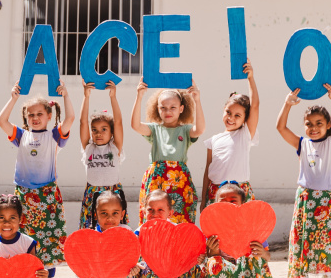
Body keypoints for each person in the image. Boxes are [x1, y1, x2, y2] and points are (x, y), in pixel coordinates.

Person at [276, 83, 331, 278]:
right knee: (302, 239)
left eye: (319, 123)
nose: (314, 127)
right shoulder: (302, 144)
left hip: (329, 199)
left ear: (329, 124)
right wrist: (287, 104)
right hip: (306, 198)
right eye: (309, 124)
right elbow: (281, 128)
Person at [0, 81, 74, 278]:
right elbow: (0, 120)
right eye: (31, 115)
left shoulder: (54, 136)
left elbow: (70, 119)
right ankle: (27, 275)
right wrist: (13, 98)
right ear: (26, 118)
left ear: (49, 115)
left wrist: (66, 96)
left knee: (48, 236)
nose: (35, 118)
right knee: (26, 235)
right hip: (25, 194)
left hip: (47, 194)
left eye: (39, 113)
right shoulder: (21, 136)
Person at [193, 183, 285, 278]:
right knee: (214, 262)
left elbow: (267, 257)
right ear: (215, 205)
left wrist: (262, 253)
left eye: (233, 201)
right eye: (223, 202)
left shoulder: (253, 228)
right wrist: (212, 253)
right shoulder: (212, 229)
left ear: (243, 205)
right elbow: (206, 259)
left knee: (255, 257)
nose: (228, 205)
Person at [131, 81, 205, 224]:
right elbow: (135, 125)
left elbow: (200, 129)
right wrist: (139, 97)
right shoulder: (154, 129)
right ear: (157, 109)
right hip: (156, 179)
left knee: (180, 219)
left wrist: (197, 99)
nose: (168, 111)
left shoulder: (185, 130)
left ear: (181, 109)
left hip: (180, 181)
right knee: (154, 219)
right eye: (163, 108)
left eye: (173, 107)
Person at [67, 191, 142, 278]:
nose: (110, 218)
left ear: (122, 214)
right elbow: (82, 266)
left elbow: (132, 260)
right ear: (96, 215)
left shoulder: (128, 235)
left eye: (115, 213)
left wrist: (135, 269)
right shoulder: (89, 236)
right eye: (104, 213)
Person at [201, 61, 260, 208]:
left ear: (245, 119)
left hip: (239, 192)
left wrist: (250, 78)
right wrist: (203, 201)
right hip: (215, 192)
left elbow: (255, 105)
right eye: (228, 112)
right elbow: (207, 171)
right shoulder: (213, 141)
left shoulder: (245, 135)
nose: (231, 118)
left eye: (237, 115)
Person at [138, 190, 201, 278]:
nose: (155, 214)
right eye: (150, 210)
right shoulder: (141, 231)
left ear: (170, 213)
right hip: (150, 268)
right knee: (145, 264)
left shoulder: (176, 230)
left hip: (172, 269)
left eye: (160, 210)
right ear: (144, 211)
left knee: (192, 266)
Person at [78, 80, 127, 229]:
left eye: (104, 129)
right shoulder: (88, 147)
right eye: (95, 130)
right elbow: (82, 122)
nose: (98, 133)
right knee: (90, 232)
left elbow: (118, 122)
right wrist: (86, 97)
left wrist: (113, 97)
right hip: (92, 193)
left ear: (112, 132)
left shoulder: (114, 147)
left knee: (114, 231)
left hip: (113, 192)